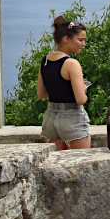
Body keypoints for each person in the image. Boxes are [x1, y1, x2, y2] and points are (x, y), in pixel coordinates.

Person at [37, 16, 90, 150]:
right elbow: (81, 100)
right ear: (66, 39)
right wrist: (82, 89)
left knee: (55, 162)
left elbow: (41, 94)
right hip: (71, 119)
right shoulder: (71, 63)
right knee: (80, 162)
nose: (83, 44)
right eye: (80, 40)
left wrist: (63, 88)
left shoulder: (45, 60)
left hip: (50, 119)